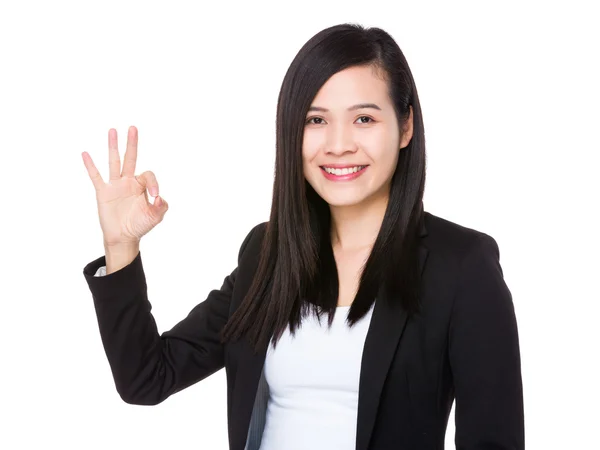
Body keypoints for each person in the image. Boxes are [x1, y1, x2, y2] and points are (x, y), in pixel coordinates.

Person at [81, 23, 524, 450]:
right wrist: (121, 246)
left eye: (364, 119)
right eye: (316, 120)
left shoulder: (462, 266)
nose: (338, 144)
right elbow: (147, 378)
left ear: (405, 126)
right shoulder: (267, 255)